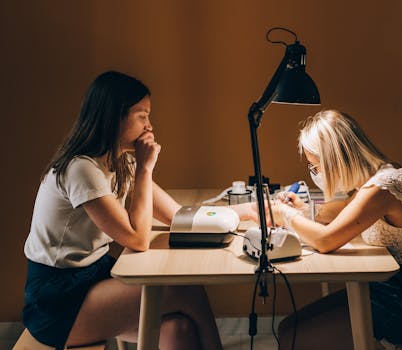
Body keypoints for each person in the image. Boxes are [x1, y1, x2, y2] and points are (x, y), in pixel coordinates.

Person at [22, 71, 256, 349]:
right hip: (58, 300)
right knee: (187, 289)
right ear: (114, 117)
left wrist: (250, 210)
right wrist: (145, 168)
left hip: (95, 279)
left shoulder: (121, 163)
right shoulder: (81, 169)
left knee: (178, 330)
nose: (150, 126)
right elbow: (137, 239)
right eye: (142, 116)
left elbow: (177, 216)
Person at [270, 110, 402, 349]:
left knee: (294, 339)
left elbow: (325, 241)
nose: (315, 174)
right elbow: (339, 211)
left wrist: (285, 215)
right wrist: (303, 210)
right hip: (385, 291)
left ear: (335, 160)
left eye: (316, 167)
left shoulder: (383, 187)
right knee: (287, 328)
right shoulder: (377, 178)